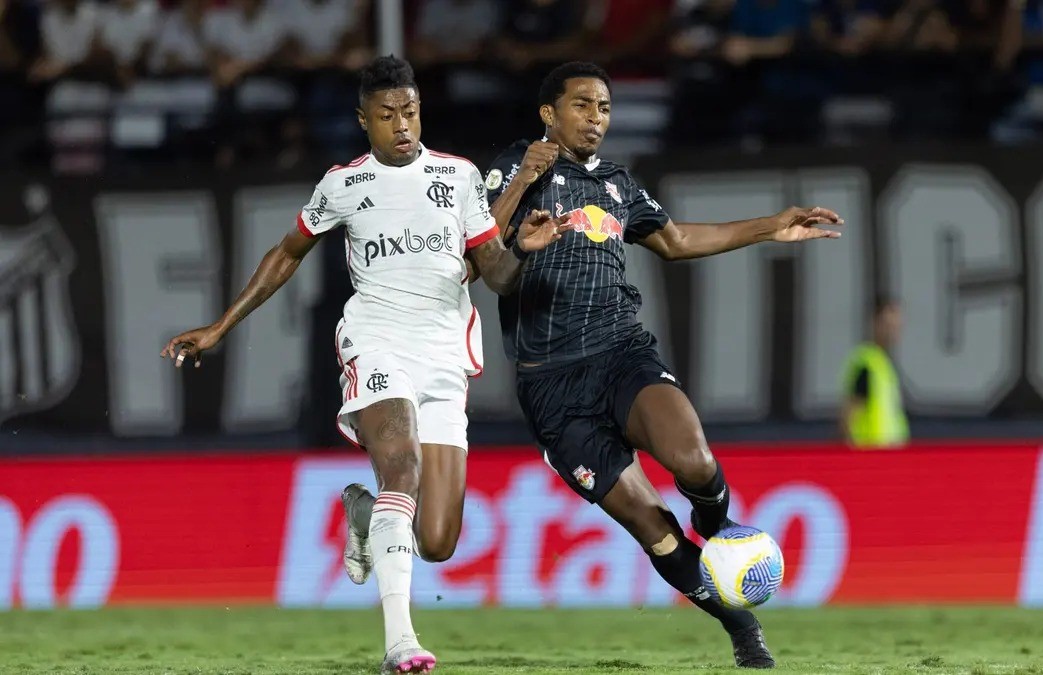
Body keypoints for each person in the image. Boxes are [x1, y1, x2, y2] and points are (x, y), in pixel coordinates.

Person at [161, 56, 568, 675]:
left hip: (442, 354)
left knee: (438, 540)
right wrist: (221, 325)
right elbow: (286, 253)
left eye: (410, 111)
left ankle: (361, 510)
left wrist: (523, 250)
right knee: (402, 466)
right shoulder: (343, 185)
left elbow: (498, 276)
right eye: (386, 115)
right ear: (363, 121)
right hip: (375, 341)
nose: (401, 124)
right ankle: (401, 642)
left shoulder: (457, 178)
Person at [483, 61, 843, 669]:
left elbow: (675, 242)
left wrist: (769, 227)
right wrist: (523, 180)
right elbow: (483, 259)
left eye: (603, 107)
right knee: (654, 529)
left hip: (620, 352)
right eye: (581, 105)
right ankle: (740, 625)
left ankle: (721, 529)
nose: (595, 118)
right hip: (550, 385)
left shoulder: (619, 185)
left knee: (695, 461)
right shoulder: (507, 170)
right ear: (549, 113)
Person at [840, 296, 909, 448]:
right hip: (870, 455)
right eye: (889, 324)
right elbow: (849, 415)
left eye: (897, 325)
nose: (894, 330)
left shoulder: (884, 364)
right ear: (876, 323)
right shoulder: (867, 364)